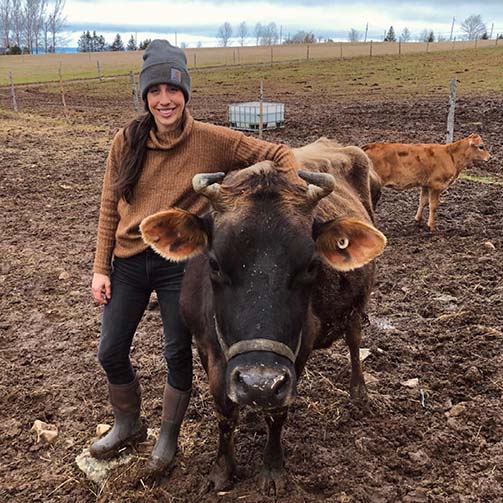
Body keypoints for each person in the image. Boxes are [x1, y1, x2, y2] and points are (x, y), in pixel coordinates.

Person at [89, 39, 297, 475]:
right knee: (110, 350)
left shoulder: (210, 139)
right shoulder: (125, 141)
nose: (165, 100)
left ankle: (167, 436)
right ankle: (127, 424)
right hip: (128, 259)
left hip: (175, 262)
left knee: (176, 351)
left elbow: (277, 154)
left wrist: (289, 197)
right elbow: (109, 205)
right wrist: (100, 267)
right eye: (155, 92)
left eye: (173, 90)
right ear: (145, 97)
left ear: (185, 93)